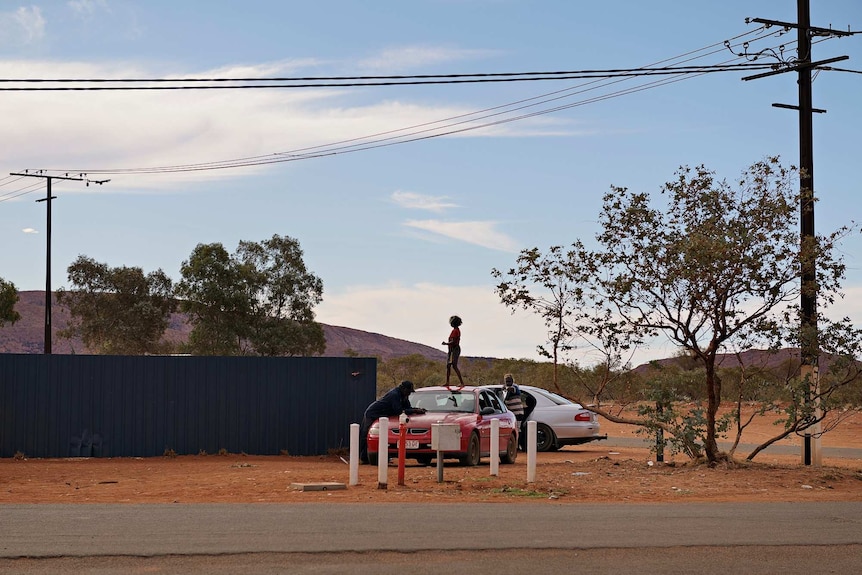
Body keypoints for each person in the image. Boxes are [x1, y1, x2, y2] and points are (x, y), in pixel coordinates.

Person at [359, 380, 425, 464]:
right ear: (403, 389)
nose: (409, 394)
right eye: (408, 391)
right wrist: (415, 410)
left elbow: (408, 407)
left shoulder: (404, 396)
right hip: (373, 413)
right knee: (366, 434)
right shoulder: (394, 395)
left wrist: (415, 410)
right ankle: (363, 457)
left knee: (381, 435)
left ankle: (382, 456)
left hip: (384, 414)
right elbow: (399, 410)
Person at [442, 315, 465, 389]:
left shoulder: (456, 331)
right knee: (448, 365)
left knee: (454, 366)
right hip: (451, 350)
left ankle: (462, 383)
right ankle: (447, 382)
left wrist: (446, 343)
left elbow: (454, 341)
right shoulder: (454, 330)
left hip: (455, 349)